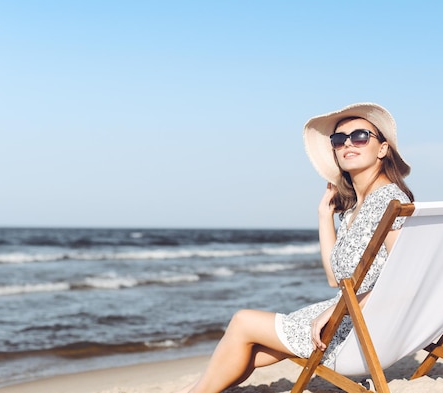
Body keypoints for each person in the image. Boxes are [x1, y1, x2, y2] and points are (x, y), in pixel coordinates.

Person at [176, 102, 414, 393]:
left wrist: (339, 308)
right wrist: (324, 216)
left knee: (242, 322)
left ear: (382, 149)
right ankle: (195, 390)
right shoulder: (356, 209)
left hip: (363, 330)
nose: (348, 144)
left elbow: (405, 279)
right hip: (346, 318)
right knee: (248, 348)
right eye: (339, 140)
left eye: (360, 136)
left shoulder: (390, 201)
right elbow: (334, 278)